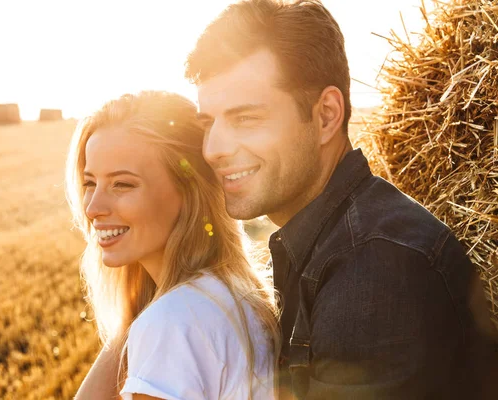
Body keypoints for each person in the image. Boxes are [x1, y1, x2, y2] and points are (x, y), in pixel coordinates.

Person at [185, 0, 498, 398]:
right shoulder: (328, 241)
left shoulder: (373, 267)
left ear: (327, 116)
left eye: (245, 118)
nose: (213, 149)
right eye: (208, 123)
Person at [65, 91, 280, 399]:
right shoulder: (231, 293)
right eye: (89, 183)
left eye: (122, 184)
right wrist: (135, 308)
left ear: (188, 191)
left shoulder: (173, 322)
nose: (93, 207)